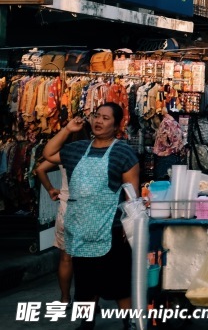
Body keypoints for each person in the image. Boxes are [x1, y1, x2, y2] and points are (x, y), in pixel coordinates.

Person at [43, 103, 140, 329]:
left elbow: (132, 195)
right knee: (86, 283)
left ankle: (130, 323)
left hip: (111, 229)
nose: (98, 121)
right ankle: (86, 323)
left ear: (116, 125)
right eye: (96, 116)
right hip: (80, 229)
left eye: (106, 118)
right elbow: (48, 153)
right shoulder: (77, 149)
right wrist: (67, 129)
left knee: (118, 283)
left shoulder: (123, 152)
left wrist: (131, 227)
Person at [34, 159, 72, 303]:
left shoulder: (63, 153)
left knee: (65, 258)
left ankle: (65, 298)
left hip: (66, 207)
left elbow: (40, 169)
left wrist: (51, 189)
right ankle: (90, 302)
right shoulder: (94, 149)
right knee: (89, 260)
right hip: (89, 210)